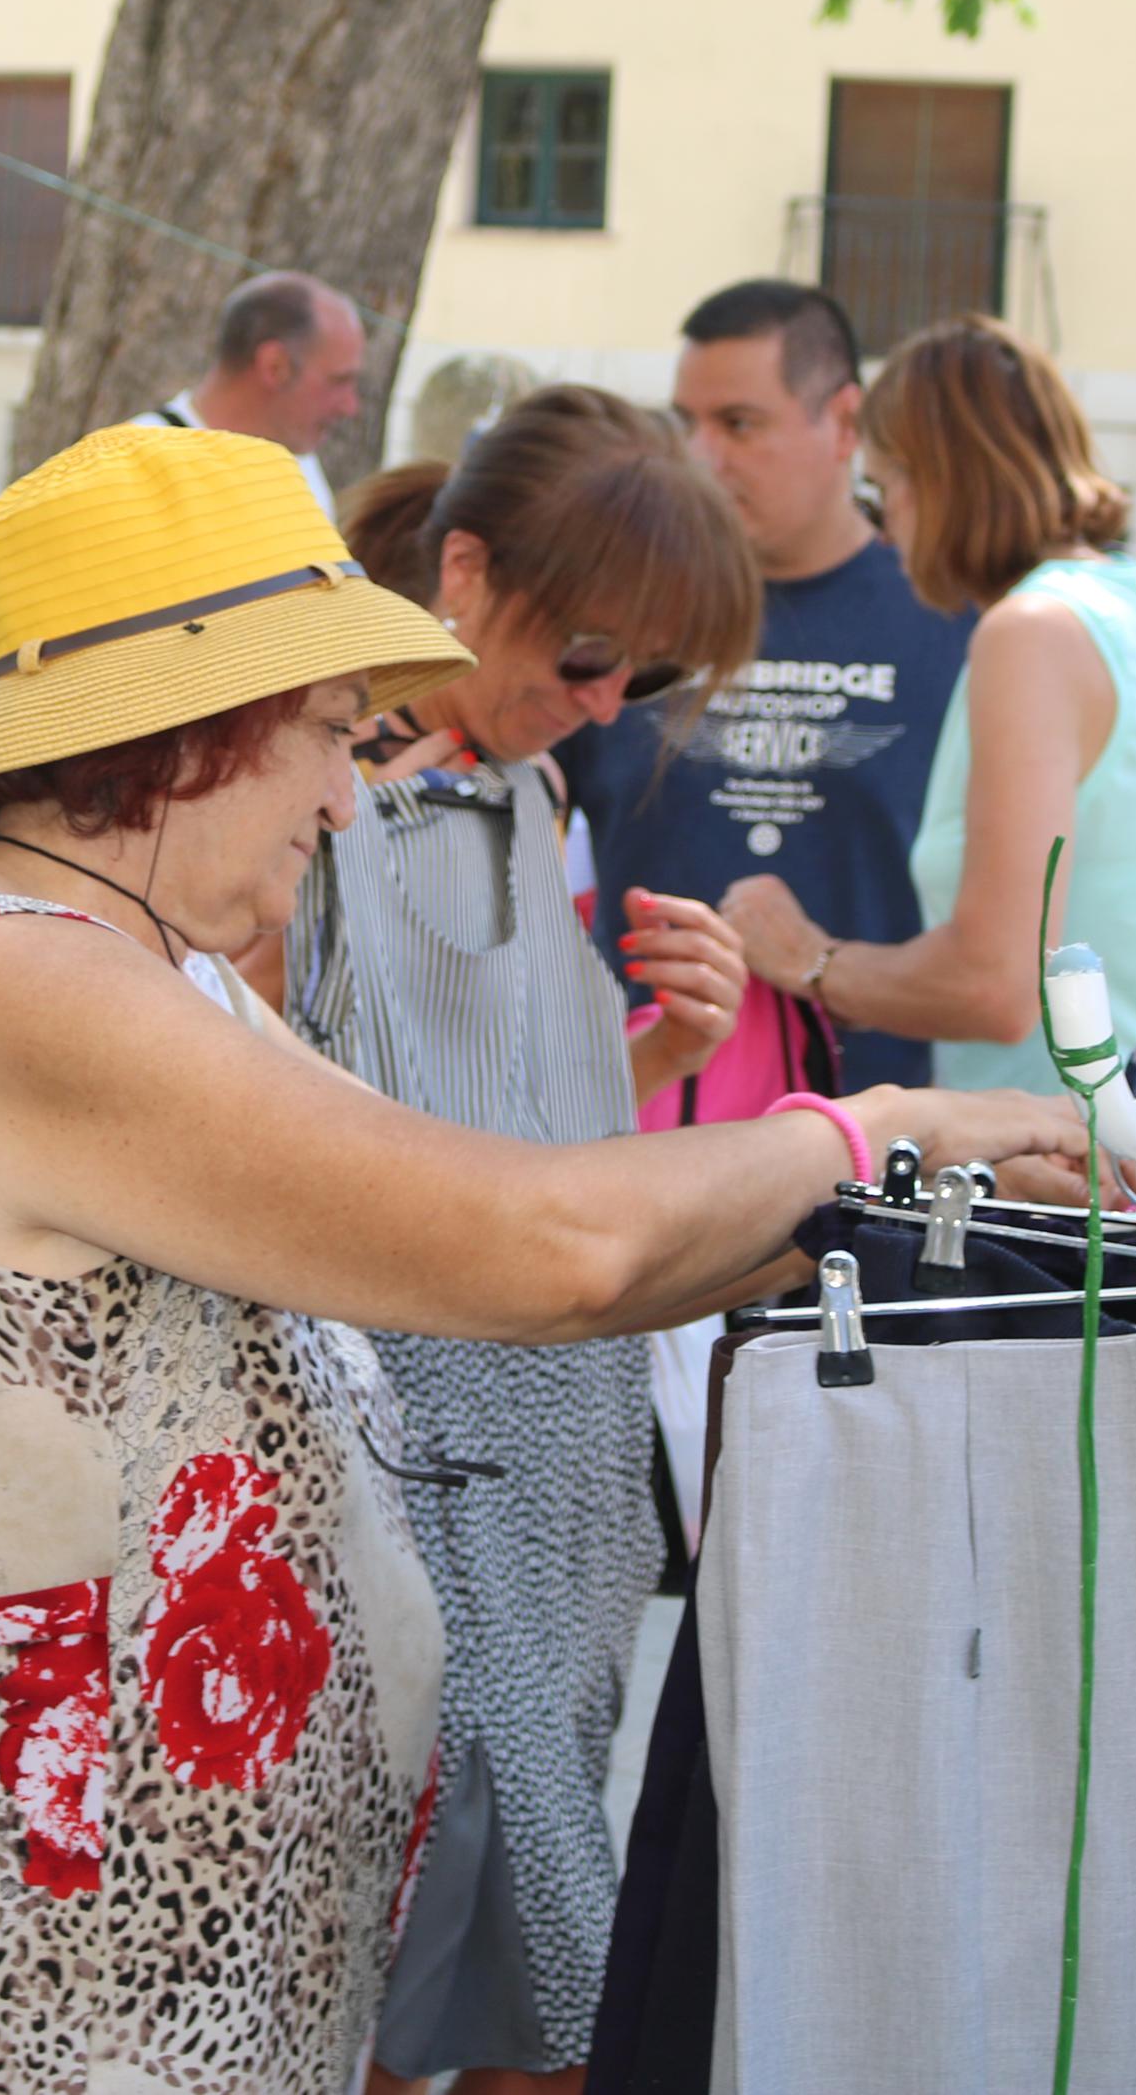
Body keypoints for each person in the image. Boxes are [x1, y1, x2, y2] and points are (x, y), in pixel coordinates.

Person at [0, 418, 1083, 2095]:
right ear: (183, 723)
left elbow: (531, 1226)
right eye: (316, 731)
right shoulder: (15, 979)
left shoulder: (148, 972)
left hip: (149, 1982)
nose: (338, 786)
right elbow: (544, 1248)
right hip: (27, 1985)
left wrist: (904, 1222)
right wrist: (881, 1129)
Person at [302, 387, 764, 2094]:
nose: (598, 704)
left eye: (640, 678)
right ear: (465, 570)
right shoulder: (306, 793)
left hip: (552, 1452)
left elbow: (510, 1122)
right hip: (388, 1455)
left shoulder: (530, 795)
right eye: (581, 656)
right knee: (384, 1938)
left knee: (533, 1939)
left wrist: (650, 1059)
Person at [723, 318, 1136, 1086]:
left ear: (941, 480)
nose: (888, 523)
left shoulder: (1032, 632)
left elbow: (995, 985)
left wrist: (809, 960)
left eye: (886, 486)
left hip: (1063, 1170)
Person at [554, 279, 972, 1105]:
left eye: (739, 423)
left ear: (845, 422)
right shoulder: (627, 612)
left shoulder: (951, 622)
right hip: (636, 1120)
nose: (703, 456)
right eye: (687, 424)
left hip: (869, 1136)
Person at [131, 269, 369, 514]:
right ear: (275, 367)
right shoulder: (135, 467)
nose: (350, 406)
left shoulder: (301, 472)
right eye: (338, 381)